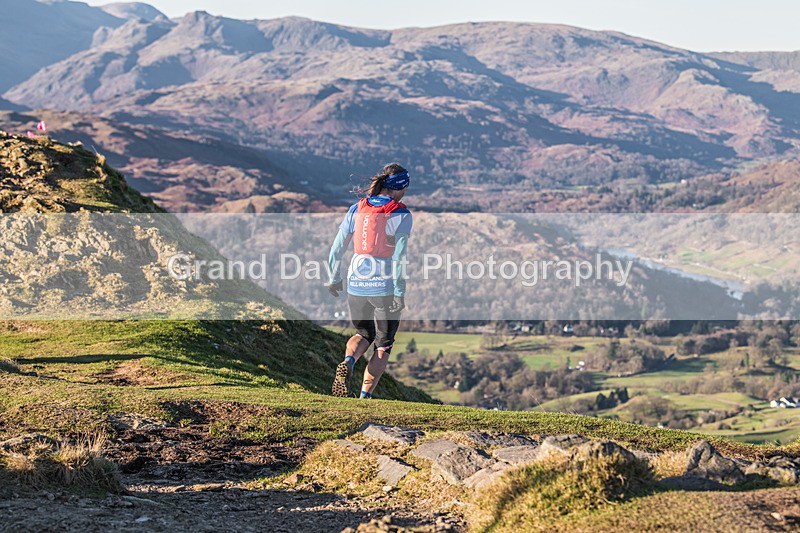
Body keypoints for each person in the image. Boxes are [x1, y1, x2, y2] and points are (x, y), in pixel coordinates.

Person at [326, 163, 412, 398]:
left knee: (363, 334)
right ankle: (364, 398)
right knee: (383, 345)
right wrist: (399, 291)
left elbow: (337, 248)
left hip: (356, 285)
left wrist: (334, 277)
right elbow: (399, 256)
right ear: (401, 187)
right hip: (384, 288)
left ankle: (348, 360)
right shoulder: (401, 213)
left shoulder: (357, 208)